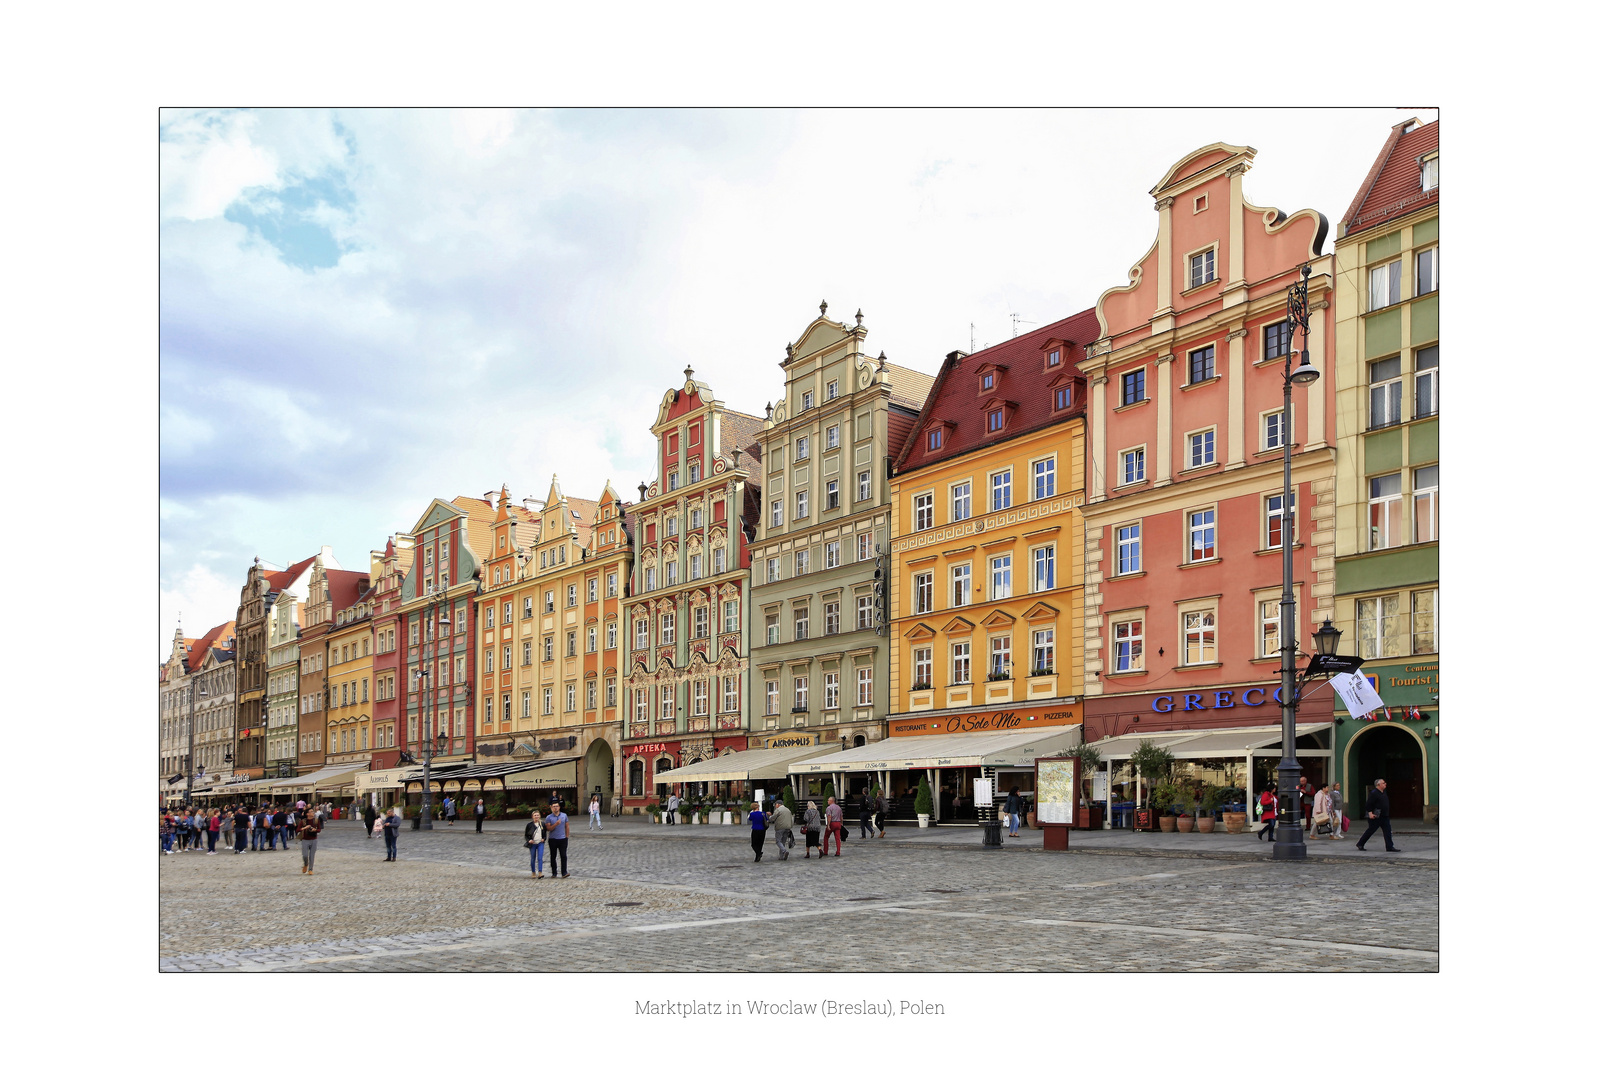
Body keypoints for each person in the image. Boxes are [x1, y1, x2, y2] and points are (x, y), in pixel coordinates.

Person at [1355, 778, 1400, 852]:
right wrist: (1370, 813)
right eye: (1383, 783)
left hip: (1384, 815)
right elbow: (1368, 804)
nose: (1385, 784)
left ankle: (1389, 847)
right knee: (1371, 830)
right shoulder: (1374, 793)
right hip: (1376, 816)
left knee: (1388, 831)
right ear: (1378, 785)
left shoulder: (1383, 792)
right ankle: (1360, 843)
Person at [545, 801, 570, 877]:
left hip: (562, 839)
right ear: (551, 808)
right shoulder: (549, 817)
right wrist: (555, 824)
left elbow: (567, 826)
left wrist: (567, 836)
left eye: (557, 806)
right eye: (554, 806)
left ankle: (564, 872)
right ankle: (554, 872)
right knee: (553, 856)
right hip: (553, 839)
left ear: (559, 807)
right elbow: (548, 828)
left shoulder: (564, 815)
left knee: (563, 856)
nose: (555, 808)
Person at [298, 807, 323, 874]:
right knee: (305, 855)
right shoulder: (303, 821)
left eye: (313, 811)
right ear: (307, 814)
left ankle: (310, 869)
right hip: (305, 839)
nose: (313, 813)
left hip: (314, 839)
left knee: (312, 855)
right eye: (311, 811)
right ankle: (306, 864)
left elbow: (319, 829)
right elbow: (297, 830)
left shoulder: (316, 820)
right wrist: (305, 828)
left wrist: (315, 830)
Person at [525, 811, 547, 877]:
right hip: (533, 843)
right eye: (535, 815)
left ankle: (540, 872)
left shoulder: (542, 824)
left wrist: (544, 839)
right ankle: (533, 872)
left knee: (540, 857)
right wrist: (529, 840)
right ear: (532, 817)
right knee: (533, 858)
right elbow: (526, 835)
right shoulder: (529, 825)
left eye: (537, 815)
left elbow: (544, 834)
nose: (536, 816)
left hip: (540, 843)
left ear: (539, 816)